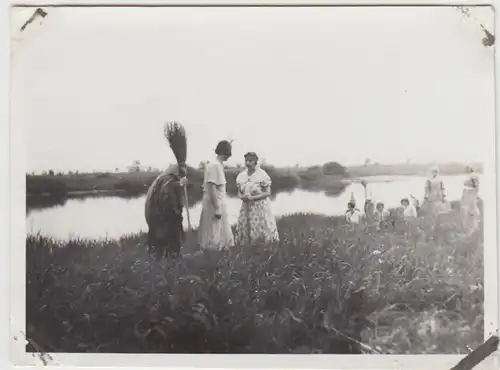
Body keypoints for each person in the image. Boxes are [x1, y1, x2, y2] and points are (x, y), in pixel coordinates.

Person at [144, 162, 188, 260]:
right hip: (164, 220)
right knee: (168, 244)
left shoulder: (161, 179)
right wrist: (180, 184)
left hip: (158, 219)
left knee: (159, 244)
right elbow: (168, 195)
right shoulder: (168, 181)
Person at [197, 140, 235, 250]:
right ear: (226, 152)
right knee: (214, 227)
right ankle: (213, 250)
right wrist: (217, 207)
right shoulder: (215, 166)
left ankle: (217, 249)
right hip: (214, 202)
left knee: (217, 227)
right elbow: (211, 187)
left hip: (217, 200)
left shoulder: (217, 165)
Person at [235, 152, 279, 245]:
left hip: (260, 206)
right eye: (246, 161)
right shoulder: (241, 176)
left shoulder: (262, 175)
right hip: (246, 206)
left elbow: (268, 192)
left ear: (255, 162)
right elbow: (239, 192)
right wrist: (243, 197)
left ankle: (262, 245)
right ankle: (246, 246)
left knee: (261, 227)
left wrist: (253, 197)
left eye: (250, 161)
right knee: (246, 227)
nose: (248, 163)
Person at [461, 165, 480, 234]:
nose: (467, 170)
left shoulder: (473, 176)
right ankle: (469, 227)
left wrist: (474, 192)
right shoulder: (468, 176)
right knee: (467, 210)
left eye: (468, 169)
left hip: (471, 193)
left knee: (472, 210)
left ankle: (473, 227)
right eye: (466, 169)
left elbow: (475, 185)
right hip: (468, 193)